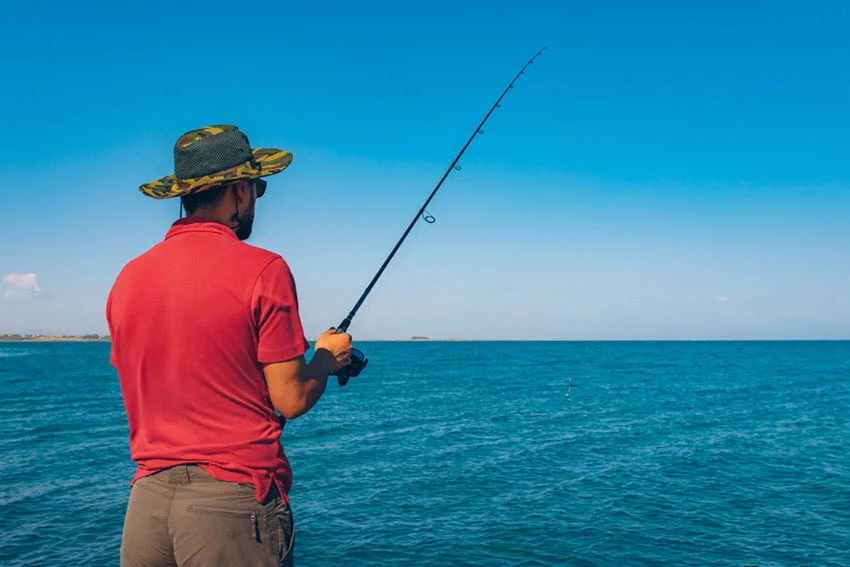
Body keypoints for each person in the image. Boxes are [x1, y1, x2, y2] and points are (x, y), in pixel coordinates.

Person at [107, 125, 352, 567]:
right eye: (257, 187)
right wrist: (326, 358)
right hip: (233, 505)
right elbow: (291, 399)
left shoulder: (127, 278)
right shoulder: (265, 268)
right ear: (239, 190)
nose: (257, 197)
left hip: (146, 505)